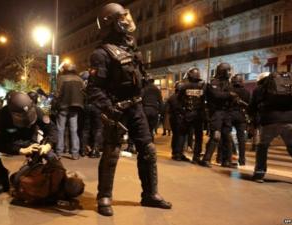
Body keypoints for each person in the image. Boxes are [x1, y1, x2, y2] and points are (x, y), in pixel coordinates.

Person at [87, 3, 171, 216]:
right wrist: (110, 109)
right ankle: (104, 196)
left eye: (126, 17)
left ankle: (150, 195)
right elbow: (94, 89)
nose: (126, 22)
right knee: (111, 153)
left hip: (136, 107)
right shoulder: (101, 53)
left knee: (148, 150)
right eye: (121, 19)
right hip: (116, 109)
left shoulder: (130, 48)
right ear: (111, 24)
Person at [0, 92, 57, 195]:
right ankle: (2, 179)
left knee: (50, 155)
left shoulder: (37, 110)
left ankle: (42, 179)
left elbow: (51, 129)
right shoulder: (3, 115)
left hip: (28, 141)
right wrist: (21, 150)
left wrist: (48, 145)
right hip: (9, 142)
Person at [249, 72, 292, 183]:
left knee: (262, 147)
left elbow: (252, 107)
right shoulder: (288, 86)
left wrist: (253, 122)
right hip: (289, 121)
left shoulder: (259, 89)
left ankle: (259, 174)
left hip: (269, 121)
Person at [11, 150, 85, 204]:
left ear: (70, 179)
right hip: (19, 187)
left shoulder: (59, 171)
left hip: (22, 176)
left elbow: (49, 154)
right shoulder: (59, 196)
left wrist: (44, 147)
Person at [199, 63, 236, 168]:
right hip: (217, 112)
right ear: (222, 71)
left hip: (227, 113)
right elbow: (216, 95)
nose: (230, 73)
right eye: (228, 70)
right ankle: (206, 159)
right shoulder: (213, 83)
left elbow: (231, 95)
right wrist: (229, 95)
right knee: (216, 136)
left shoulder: (228, 83)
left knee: (227, 137)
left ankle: (226, 161)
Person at [174, 68, 206, 163]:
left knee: (182, 134)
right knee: (198, 136)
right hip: (199, 115)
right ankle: (196, 157)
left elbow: (178, 100)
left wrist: (182, 112)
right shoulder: (203, 87)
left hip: (187, 114)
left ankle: (178, 154)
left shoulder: (184, 86)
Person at [55, 62, 85, 159]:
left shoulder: (61, 78)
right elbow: (84, 92)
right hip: (75, 106)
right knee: (74, 130)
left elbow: (57, 93)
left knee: (60, 129)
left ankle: (59, 152)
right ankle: (75, 153)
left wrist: (55, 104)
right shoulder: (79, 79)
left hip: (63, 106)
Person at [229, 74, 250, 166]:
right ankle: (242, 159)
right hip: (241, 116)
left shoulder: (230, 90)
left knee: (226, 136)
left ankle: (226, 156)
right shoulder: (247, 92)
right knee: (241, 139)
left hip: (229, 115)